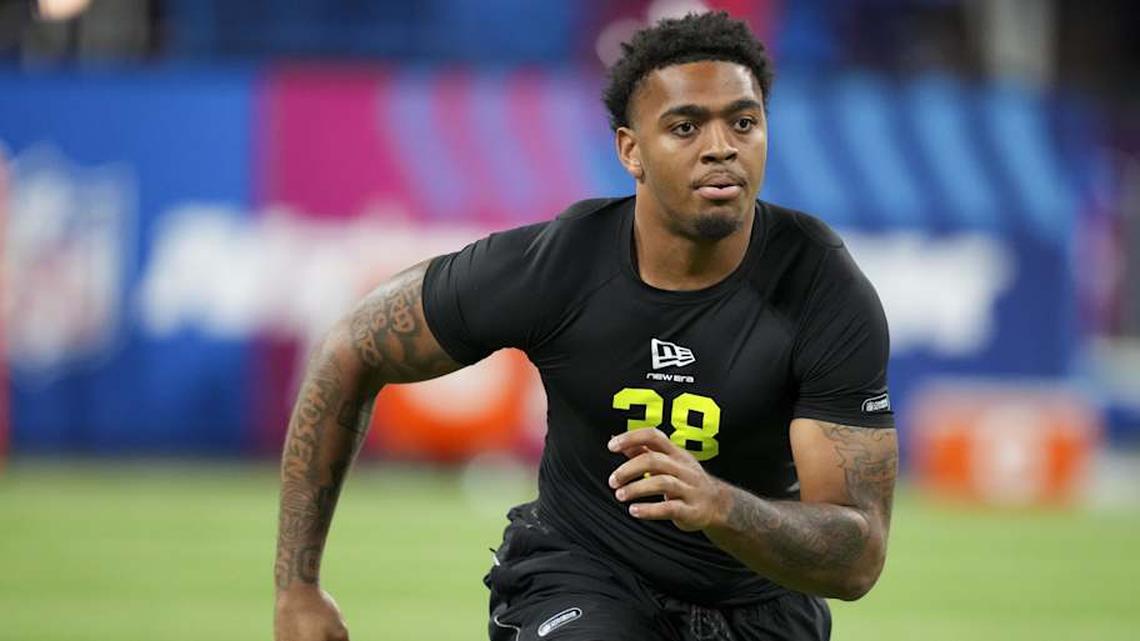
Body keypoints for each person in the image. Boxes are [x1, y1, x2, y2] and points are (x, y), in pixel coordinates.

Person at [273, 11, 897, 641]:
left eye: (743, 121)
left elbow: (860, 556)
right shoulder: (560, 265)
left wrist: (720, 505)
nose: (721, 147)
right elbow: (351, 349)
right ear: (631, 150)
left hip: (760, 604)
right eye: (685, 126)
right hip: (583, 576)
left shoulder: (823, 287)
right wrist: (298, 587)